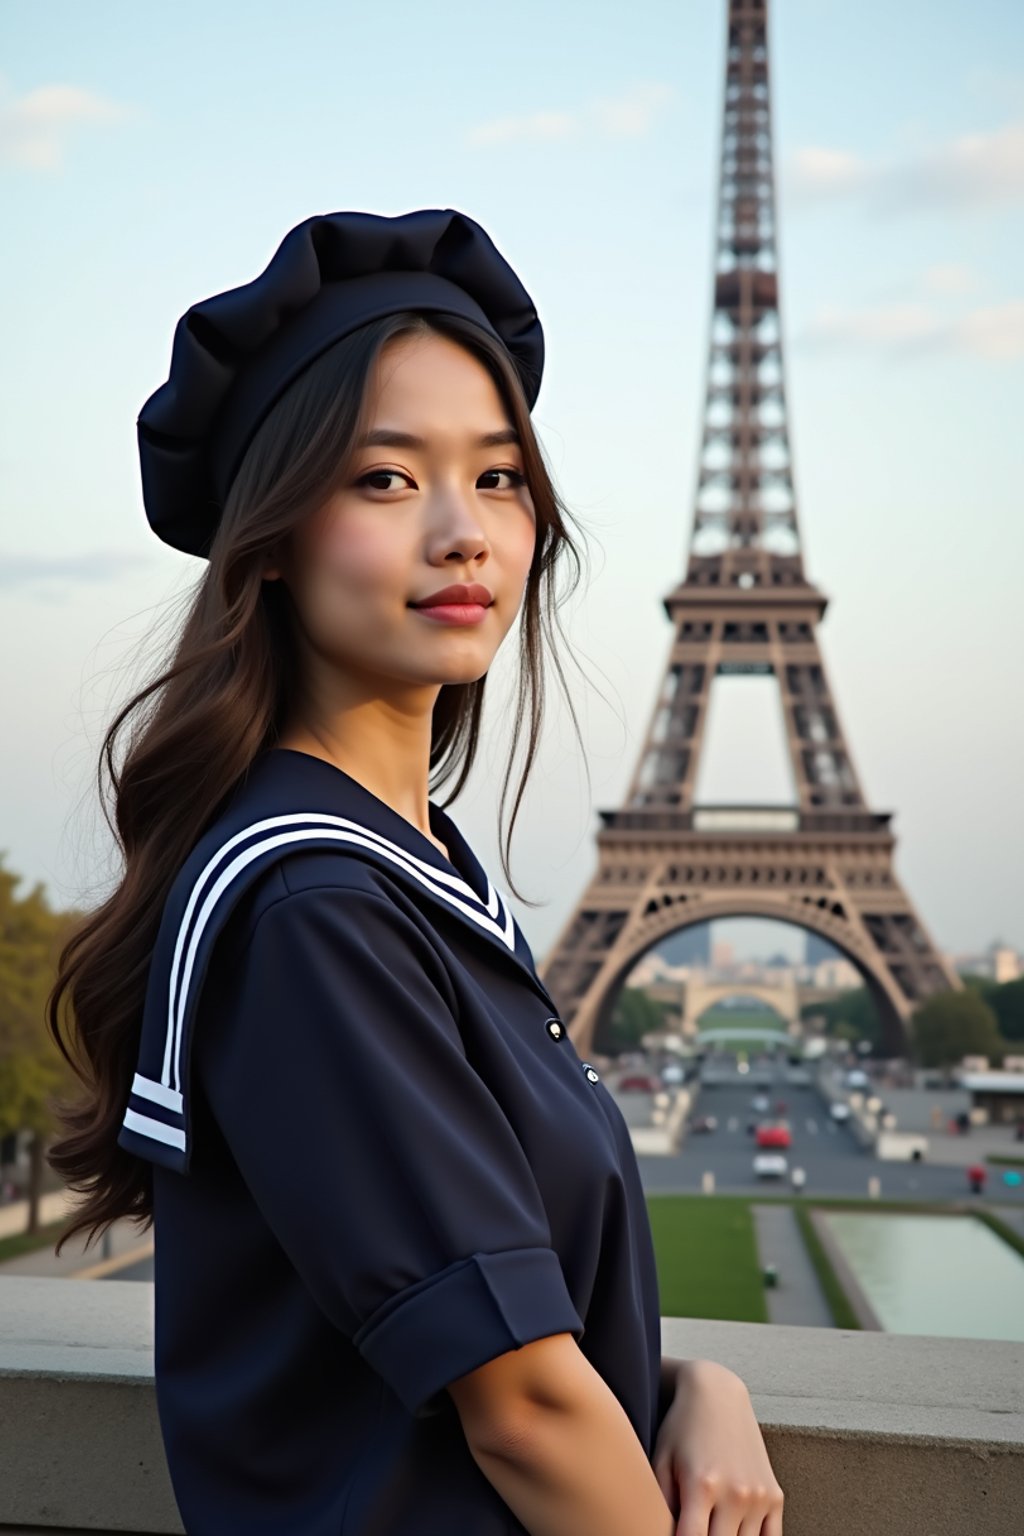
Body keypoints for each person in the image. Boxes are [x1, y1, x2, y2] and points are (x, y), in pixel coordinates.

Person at [45, 208, 783, 1536]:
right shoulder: (317, 909)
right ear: (269, 539)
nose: (466, 532)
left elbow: (477, 1321)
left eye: (500, 477)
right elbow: (522, 1407)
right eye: (386, 479)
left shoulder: (403, 869)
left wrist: (697, 1378)